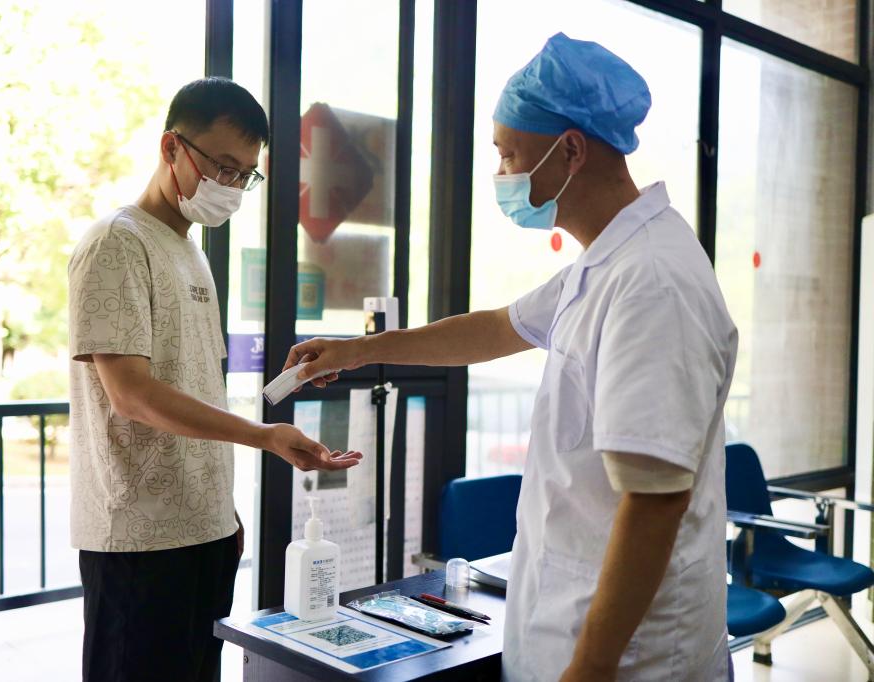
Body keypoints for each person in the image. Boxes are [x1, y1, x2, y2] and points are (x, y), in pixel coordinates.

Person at [283, 33, 737, 681]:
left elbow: (655, 502)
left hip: (632, 658)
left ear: (571, 150)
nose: (502, 175)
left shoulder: (651, 282)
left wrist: (590, 668)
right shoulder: (603, 266)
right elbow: (496, 329)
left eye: (509, 154)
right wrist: (361, 350)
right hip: (566, 623)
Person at [68, 77, 361, 682]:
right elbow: (132, 395)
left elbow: (194, 387)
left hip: (205, 531)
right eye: (222, 166)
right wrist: (265, 436)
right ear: (171, 147)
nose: (230, 185)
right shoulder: (116, 243)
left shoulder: (192, 251)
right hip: (140, 539)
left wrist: (221, 512)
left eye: (245, 174)